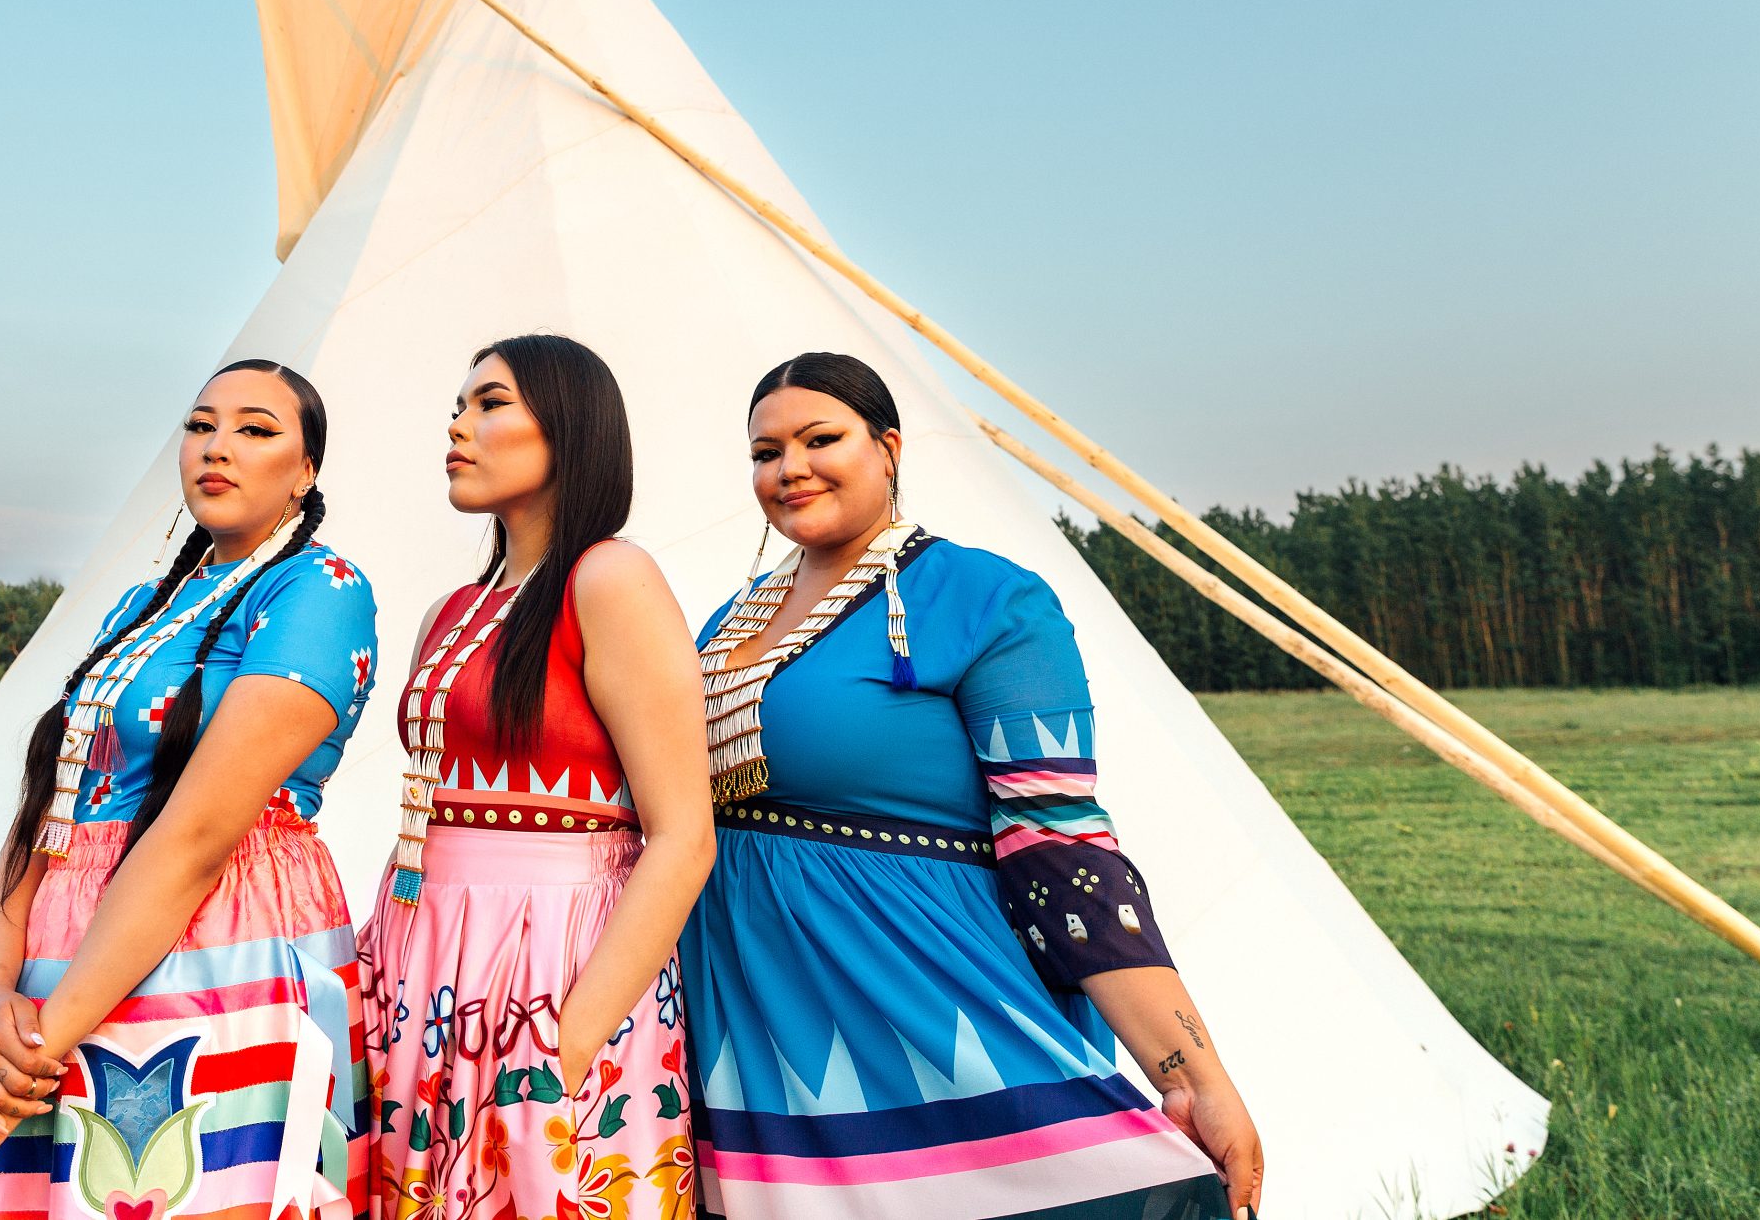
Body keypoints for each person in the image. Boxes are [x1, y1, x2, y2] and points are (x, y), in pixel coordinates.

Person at [678, 352, 1264, 1220]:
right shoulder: (730, 619)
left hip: (921, 1003)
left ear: (888, 446)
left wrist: (1193, 1071)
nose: (789, 468)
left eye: (818, 438)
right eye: (766, 452)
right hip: (757, 1025)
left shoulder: (988, 601)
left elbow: (1063, 844)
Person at [0, 359, 380, 1220]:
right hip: (66, 966)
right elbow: (55, 797)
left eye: (256, 429)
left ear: (306, 471)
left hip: (217, 948)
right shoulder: (143, 604)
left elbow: (196, 836)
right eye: (200, 424)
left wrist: (29, 1060)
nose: (217, 446)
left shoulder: (320, 590)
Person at [358, 334, 714, 1220]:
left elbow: (682, 835)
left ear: (567, 425)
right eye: (458, 404)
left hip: (557, 961)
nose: (458, 423)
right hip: (426, 961)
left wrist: (564, 1041)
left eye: (490, 403)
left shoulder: (611, 577)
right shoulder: (453, 609)